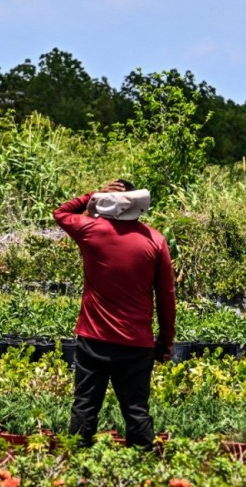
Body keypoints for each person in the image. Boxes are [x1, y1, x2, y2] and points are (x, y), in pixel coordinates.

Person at [53, 179, 175, 448]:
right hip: (136, 344)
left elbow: (61, 213)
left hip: (93, 339)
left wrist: (93, 194)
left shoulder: (92, 231)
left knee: (85, 407)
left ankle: (73, 476)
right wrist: (166, 341)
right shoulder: (154, 239)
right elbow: (166, 297)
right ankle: (142, 472)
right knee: (136, 412)